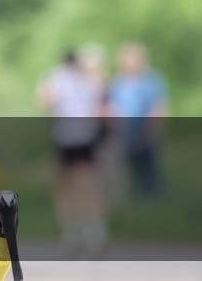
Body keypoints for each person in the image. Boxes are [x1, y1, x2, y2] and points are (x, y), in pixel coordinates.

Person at [37, 50, 108, 256]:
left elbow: (46, 102)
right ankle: (94, 230)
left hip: (66, 139)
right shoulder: (90, 79)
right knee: (88, 185)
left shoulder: (56, 78)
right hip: (86, 138)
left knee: (65, 186)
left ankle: (73, 230)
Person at [106, 42, 168, 198]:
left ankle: (152, 199)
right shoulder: (118, 82)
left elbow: (159, 107)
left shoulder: (151, 80)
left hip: (143, 127)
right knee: (125, 167)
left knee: (147, 167)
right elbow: (112, 106)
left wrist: (151, 130)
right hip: (123, 129)